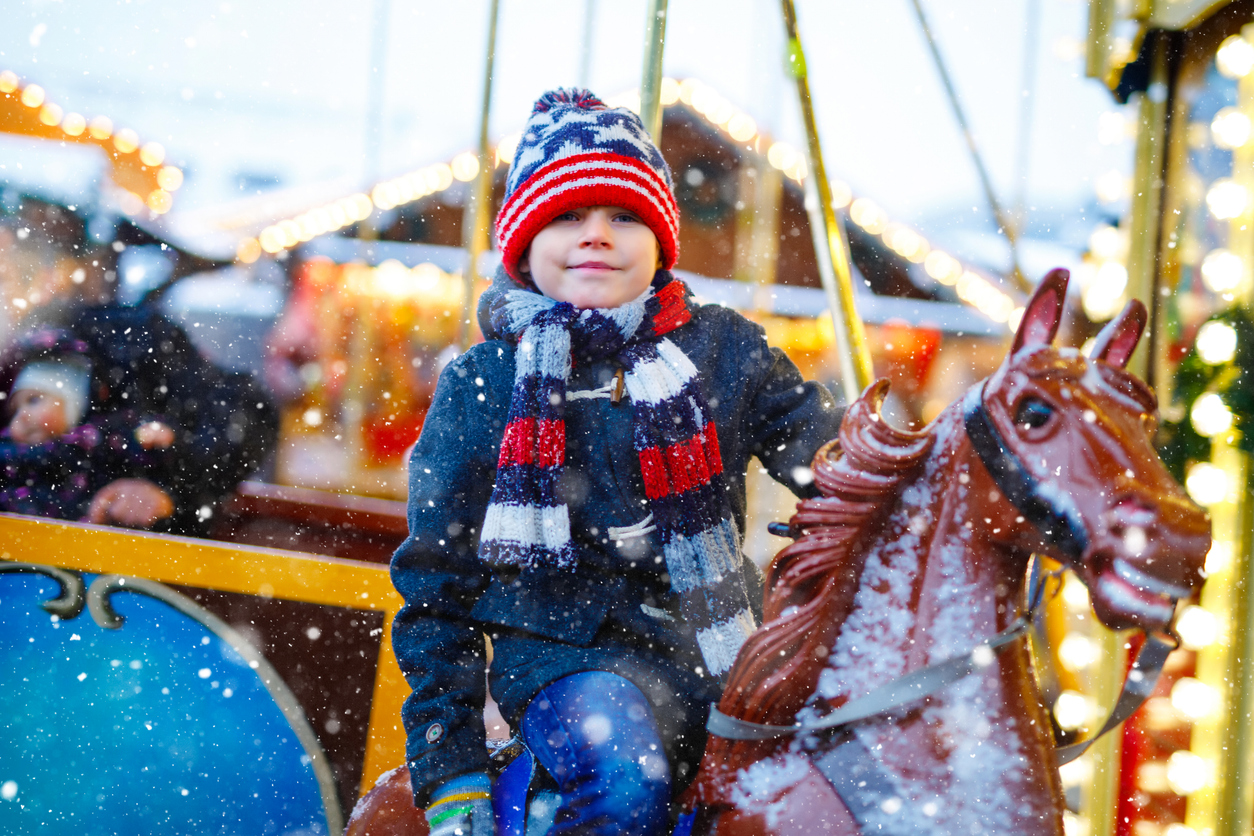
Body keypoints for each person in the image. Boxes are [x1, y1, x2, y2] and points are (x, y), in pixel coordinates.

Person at [390, 88, 844, 836]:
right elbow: (436, 582)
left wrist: (915, 459)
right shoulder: (484, 381)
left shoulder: (725, 351)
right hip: (559, 659)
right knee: (628, 777)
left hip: (717, 651)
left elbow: (831, 462)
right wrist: (450, 758)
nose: (597, 235)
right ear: (524, 247)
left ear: (661, 242)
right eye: (567, 216)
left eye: (624, 216)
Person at [0, 304, 278, 535]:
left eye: (34, 401)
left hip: (132, 570)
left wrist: (168, 491)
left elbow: (245, 414)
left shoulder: (127, 343)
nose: (23, 416)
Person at [0, 329, 175, 521]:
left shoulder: (97, 443)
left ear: (72, 406)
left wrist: (147, 437)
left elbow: (135, 453)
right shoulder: (10, 457)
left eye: (33, 400)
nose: (22, 415)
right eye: (14, 411)